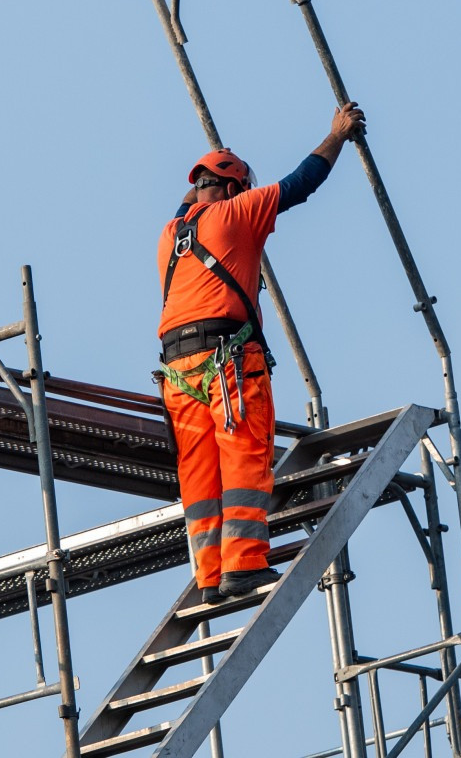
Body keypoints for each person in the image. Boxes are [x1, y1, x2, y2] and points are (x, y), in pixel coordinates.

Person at [155, 102, 366, 604]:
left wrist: (211, 173)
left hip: (177, 374)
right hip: (227, 361)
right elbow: (302, 182)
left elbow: (192, 198)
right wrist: (336, 133)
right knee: (245, 459)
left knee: (200, 477)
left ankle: (209, 576)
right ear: (232, 190)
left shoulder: (170, 236)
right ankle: (243, 565)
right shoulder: (237, 211)